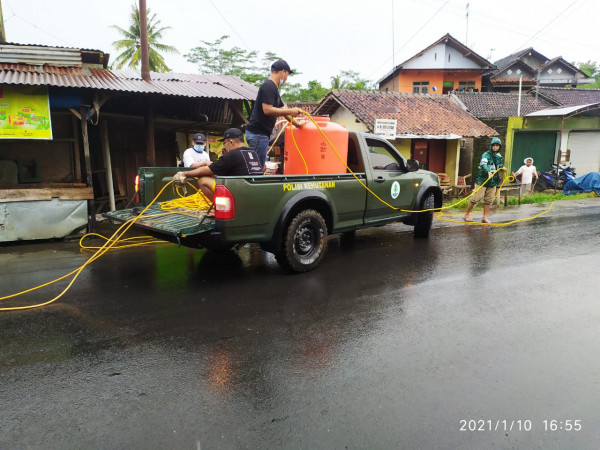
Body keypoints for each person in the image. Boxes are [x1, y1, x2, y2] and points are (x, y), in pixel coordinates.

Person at [174, 128, 263, 203]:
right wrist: (225, 156)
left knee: (203, 179)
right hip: (255, 190)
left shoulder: (232, 154)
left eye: (225, 143)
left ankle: (219, 209)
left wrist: (184, 174)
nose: (225, 146)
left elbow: (207, 170)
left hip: (239, 192)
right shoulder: (253, 153)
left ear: (231, 142)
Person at [245, 59, 303, 166]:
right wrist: (291, 111)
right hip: (258, 135)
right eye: (287, 75)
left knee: (259, 167)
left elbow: (284, 111)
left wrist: (297, 124)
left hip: (260, 135)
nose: (286, 79)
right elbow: (267, 110)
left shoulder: (274, 89)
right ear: (283, 72)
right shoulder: (269, 86)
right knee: (256, 169)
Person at [463, 137, 507, 224]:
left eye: (497, 146)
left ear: (499, 147)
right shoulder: (485, 155)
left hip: (493, 181)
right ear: (491, 146)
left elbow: (498, 165)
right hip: (482, 180)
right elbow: (483, 164)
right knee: (475, 198)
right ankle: (466, 215)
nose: (495, 147)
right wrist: (488, 172)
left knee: (489, 200)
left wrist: (502, 167)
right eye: (493, 145)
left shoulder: (498, 156)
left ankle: (484, 217)